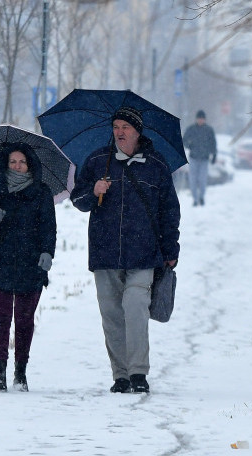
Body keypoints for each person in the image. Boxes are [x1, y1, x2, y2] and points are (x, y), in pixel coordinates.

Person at [70, 106, 181, 394]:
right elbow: (79, 200)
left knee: (135, 309)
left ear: (137, 131)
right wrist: (93, 192)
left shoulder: (156, 165)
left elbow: (170, 211)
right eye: (116, 126)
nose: (119, 132)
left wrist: (171, 249)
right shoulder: (97, 160)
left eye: (125, 127)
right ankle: (120, 375)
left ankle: (138, 373)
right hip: (105, 252)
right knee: (111, 316)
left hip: (144, 253)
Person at [0, 142, 57, 392]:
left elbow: (48, 228)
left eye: (22, 162)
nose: (17, 166)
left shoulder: (42, 192)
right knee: (0, 319)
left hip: (31, 264)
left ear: (30, 164)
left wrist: (47, 253)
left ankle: (21, 372)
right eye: (12, 162)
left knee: (24, 320)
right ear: (5, 164)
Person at [182, 110, 218, 206]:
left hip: (204, 159)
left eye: (202, 118)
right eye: (199, 118)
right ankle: (195, 199)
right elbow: (184, 140)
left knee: (202, 179)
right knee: (192, 180)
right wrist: (189, 146)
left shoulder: (209, 130)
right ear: (196, 119)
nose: (200, 120)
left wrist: (214, 155)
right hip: (193, 158)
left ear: (204, 119)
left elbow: (213, 143)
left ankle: (201, 197)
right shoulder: (191, 129)